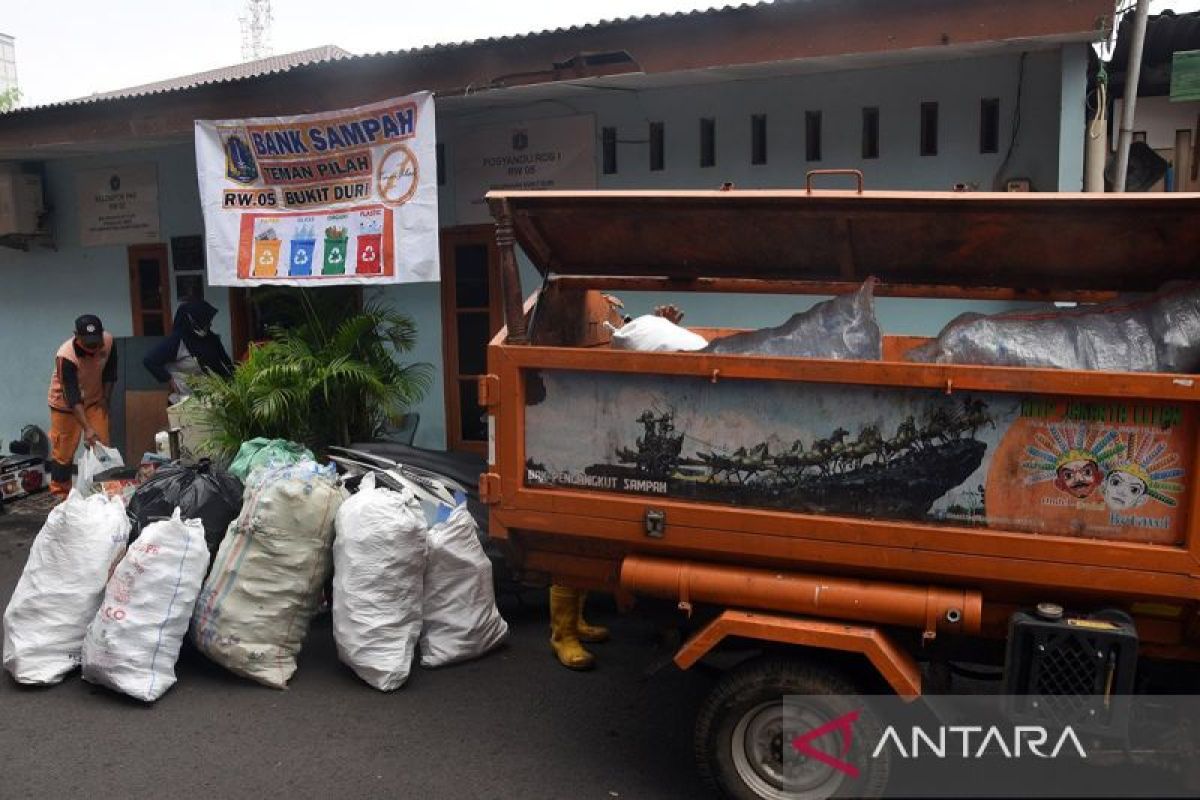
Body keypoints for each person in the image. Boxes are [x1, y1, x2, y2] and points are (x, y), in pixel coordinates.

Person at [47, 315, 117, 498]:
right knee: (63, 453)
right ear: (76, 335)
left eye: (97, 342)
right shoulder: (66, 356)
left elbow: (110, 372)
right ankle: (61, 496)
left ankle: (102, 492)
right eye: (89, 344)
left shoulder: (108, 341)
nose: (94, 348)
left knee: (102, 446)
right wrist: (87, 428)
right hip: (65, 406)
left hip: (94, 401)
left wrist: (105, 399)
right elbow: (72, 395)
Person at [143, 299, 234, 404]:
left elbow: (226, 362)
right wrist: (169, 380)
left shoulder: (211, 339)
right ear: (194, 321)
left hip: (213, 397)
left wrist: (232, 381)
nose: (209, 324)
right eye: (205, 321)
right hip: (184, 400)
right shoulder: (176, 341)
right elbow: (149, 361)